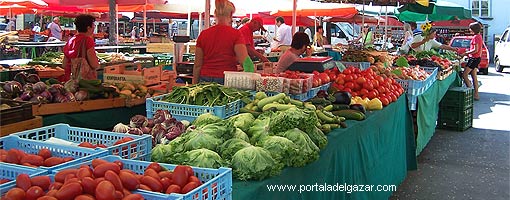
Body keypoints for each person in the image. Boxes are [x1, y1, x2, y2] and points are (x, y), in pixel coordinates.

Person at [193, 0, 254, 85]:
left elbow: (197, 65)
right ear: (230, 15)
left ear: (215, 14)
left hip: (205, 79)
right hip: (226, 79)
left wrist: (194, 86)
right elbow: (245, 61)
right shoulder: (235, 34)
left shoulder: (204, 34)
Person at [61, 14, 100, 82]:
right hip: (83, 83)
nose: (94, 28)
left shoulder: (71, 40)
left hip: (69, 80)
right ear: (88, 28)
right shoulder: (88, 40)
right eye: (93, 26)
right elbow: (94, 64)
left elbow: (64, 64)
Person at [460, 22, 483, 100]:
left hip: (474, 59)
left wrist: (466, 53)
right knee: (474, 76)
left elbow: (475, 49)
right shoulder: (479, 36)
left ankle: (470, 91)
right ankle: (476, 94)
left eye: (470, 29)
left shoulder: (476, 37)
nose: (469, 30)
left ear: (473, 29)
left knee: (464, 75)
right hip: (477, 58)